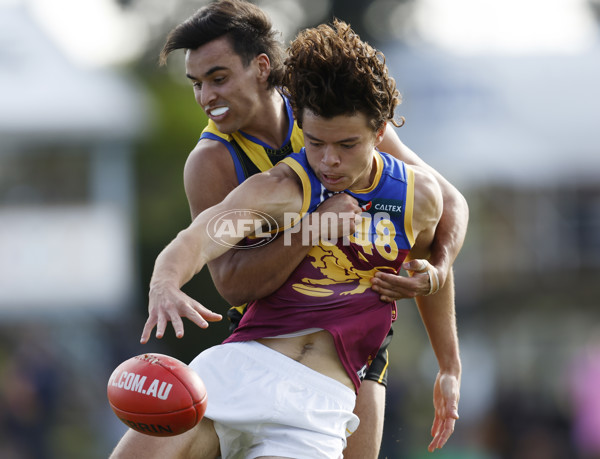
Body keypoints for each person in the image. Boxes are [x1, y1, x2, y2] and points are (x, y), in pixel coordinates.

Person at [111, 17, 461, 459]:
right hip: (242, 366)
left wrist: (449, 361)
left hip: (319, 401)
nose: (328, 161)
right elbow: (201, 238)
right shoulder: (279, 184)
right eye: (315, 144)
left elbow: (439, 243)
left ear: (380, 133)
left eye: (346, 145)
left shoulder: (415, 193)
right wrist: (165, 281)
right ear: (305, 132)